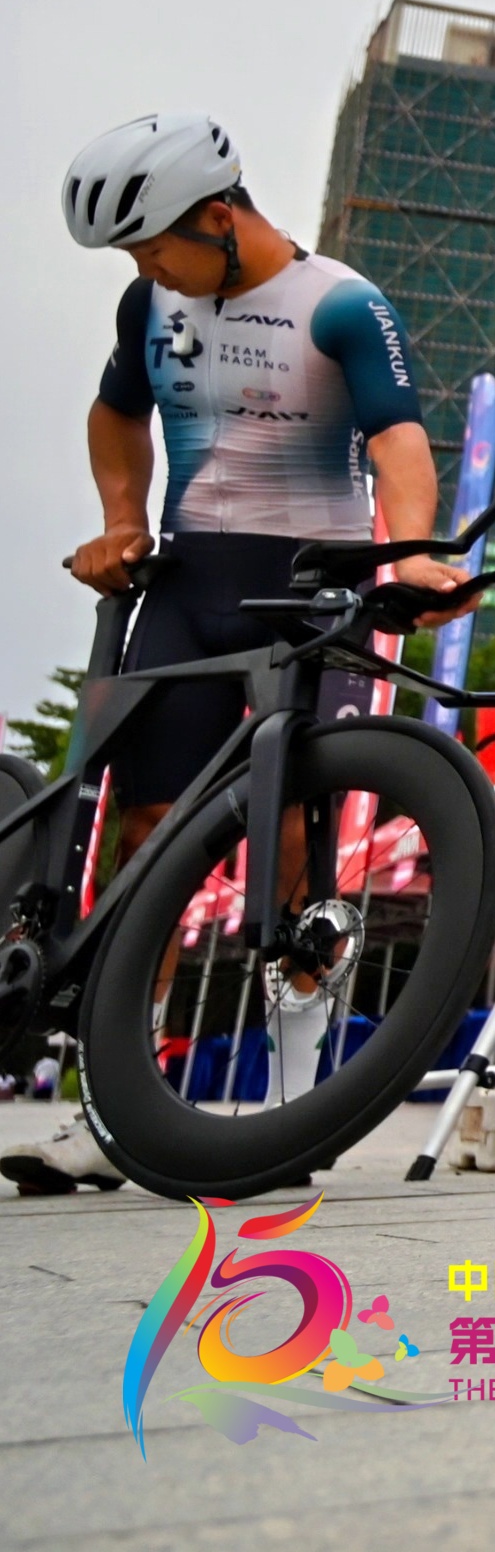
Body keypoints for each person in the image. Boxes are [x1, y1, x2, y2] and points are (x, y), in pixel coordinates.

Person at [8, 114, 466, 1195]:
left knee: (292, 841)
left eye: (154, 244)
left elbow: (399, 437)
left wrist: (420, 554)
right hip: (190, 581)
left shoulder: (343, 304)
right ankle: (106, 1108)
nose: (144, 269)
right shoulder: (151, 300)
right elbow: (116, 412)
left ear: (220, 216)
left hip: (309, 584)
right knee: (145, 834)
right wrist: (122, 518)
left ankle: (289, 1105)